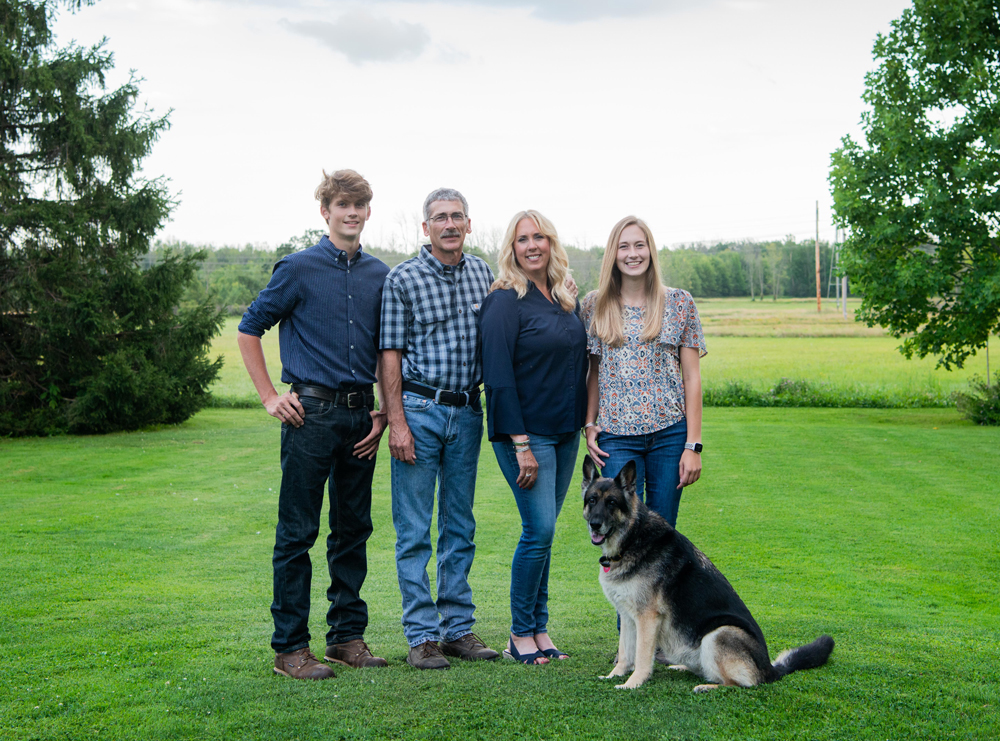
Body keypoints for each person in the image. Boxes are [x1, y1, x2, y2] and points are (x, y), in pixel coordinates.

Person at [237, 169, 390, 680]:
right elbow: (249, 329)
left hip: (361, 417)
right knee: (298, 532)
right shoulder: (297, 269)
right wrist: (268, 397)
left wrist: (383, 410)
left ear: (368, 212)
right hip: (311, 415)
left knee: (353, 532)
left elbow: (383, 348)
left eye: (359, 205)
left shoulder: (379, 275)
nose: (351, 213)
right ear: (325, 211)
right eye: (342, 205)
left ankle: (346, 638)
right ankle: (290, 649)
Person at [379, 187, 500, 669]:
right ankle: (421, 636)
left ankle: (457, 629)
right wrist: (397, 423)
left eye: (457, 217)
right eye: (439, 218)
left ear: (469, 224)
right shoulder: (402, 280)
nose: (449, 225)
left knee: (460, 526)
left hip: (468, 412)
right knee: (413, 530)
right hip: (420, 409)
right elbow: (388, 354)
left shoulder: (484, 274)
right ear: (425, 228)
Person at [480, 210, 588, 665]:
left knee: (545, 535)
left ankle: (541, 630)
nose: (531, 246)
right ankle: (519, 633)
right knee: (537, 531)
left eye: (539, 237)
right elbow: (498, 374)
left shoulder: (563, 298)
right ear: (512, 248)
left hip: (565, 433)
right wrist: (521, 443)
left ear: (551, 244)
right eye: (522, 239)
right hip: (526, 436)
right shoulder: (506, 299)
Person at [581, 215, 706, 529]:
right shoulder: (595, 305)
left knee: (661, 532)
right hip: (617, 436)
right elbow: (593, 373)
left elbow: (692, 377)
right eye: (624, 247)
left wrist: (693, 445)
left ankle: (661, 582)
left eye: (640, 245)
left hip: (669, 433)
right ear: (613, 254)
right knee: (617, 529)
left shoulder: (679, 303)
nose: (632, 254)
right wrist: (589, 422)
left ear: (651, 251)